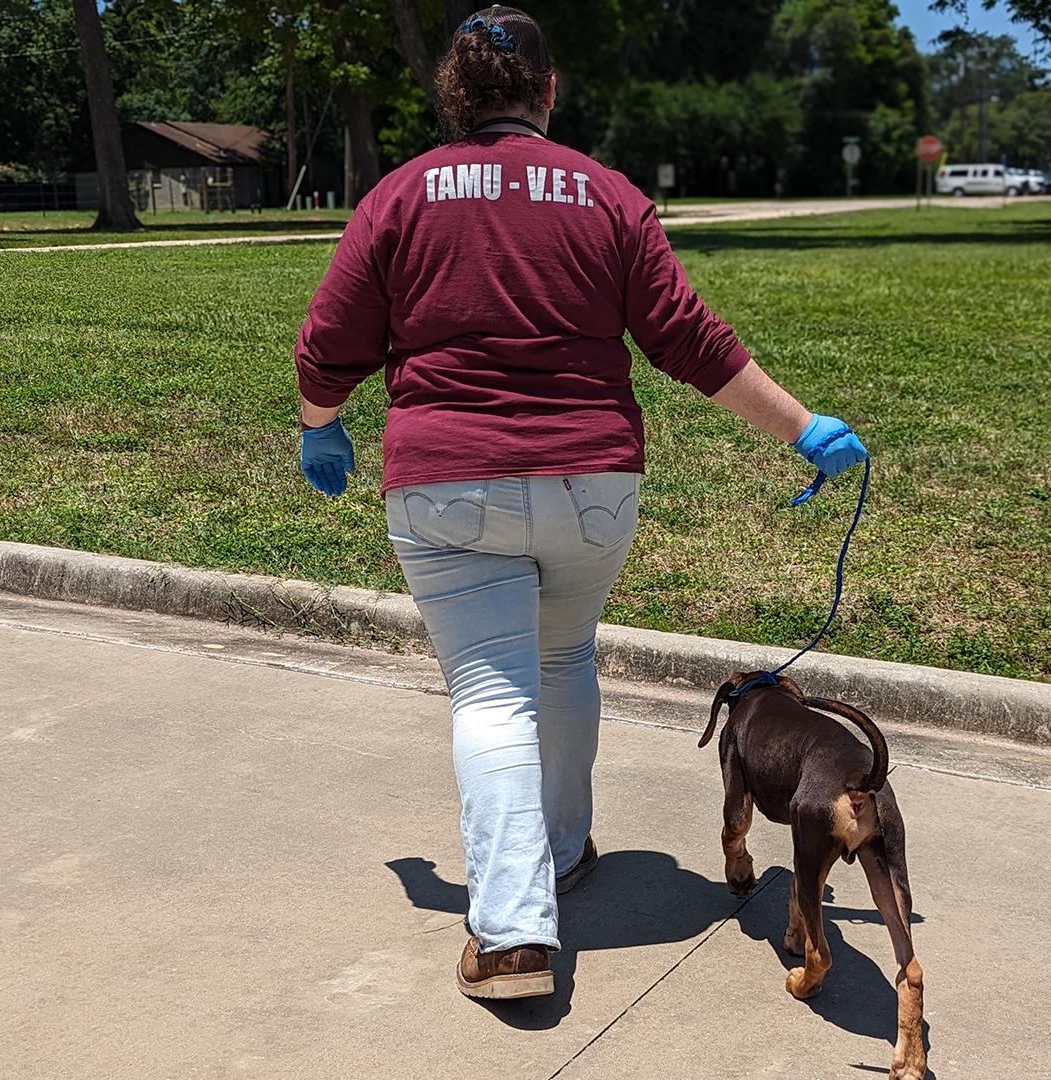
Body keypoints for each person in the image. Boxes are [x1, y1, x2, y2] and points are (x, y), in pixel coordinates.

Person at [294, 5, 867, 1001]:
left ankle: (514, 928)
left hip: (447, 481)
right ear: (549, 93)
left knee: (491, 691)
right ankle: (560, 848)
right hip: (592, 485)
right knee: (560, 659)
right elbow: (690, 339)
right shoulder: (607, 196)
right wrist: (802, 427)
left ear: (453, 97)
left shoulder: (397, 196)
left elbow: (329, 344)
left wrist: (320, 422)